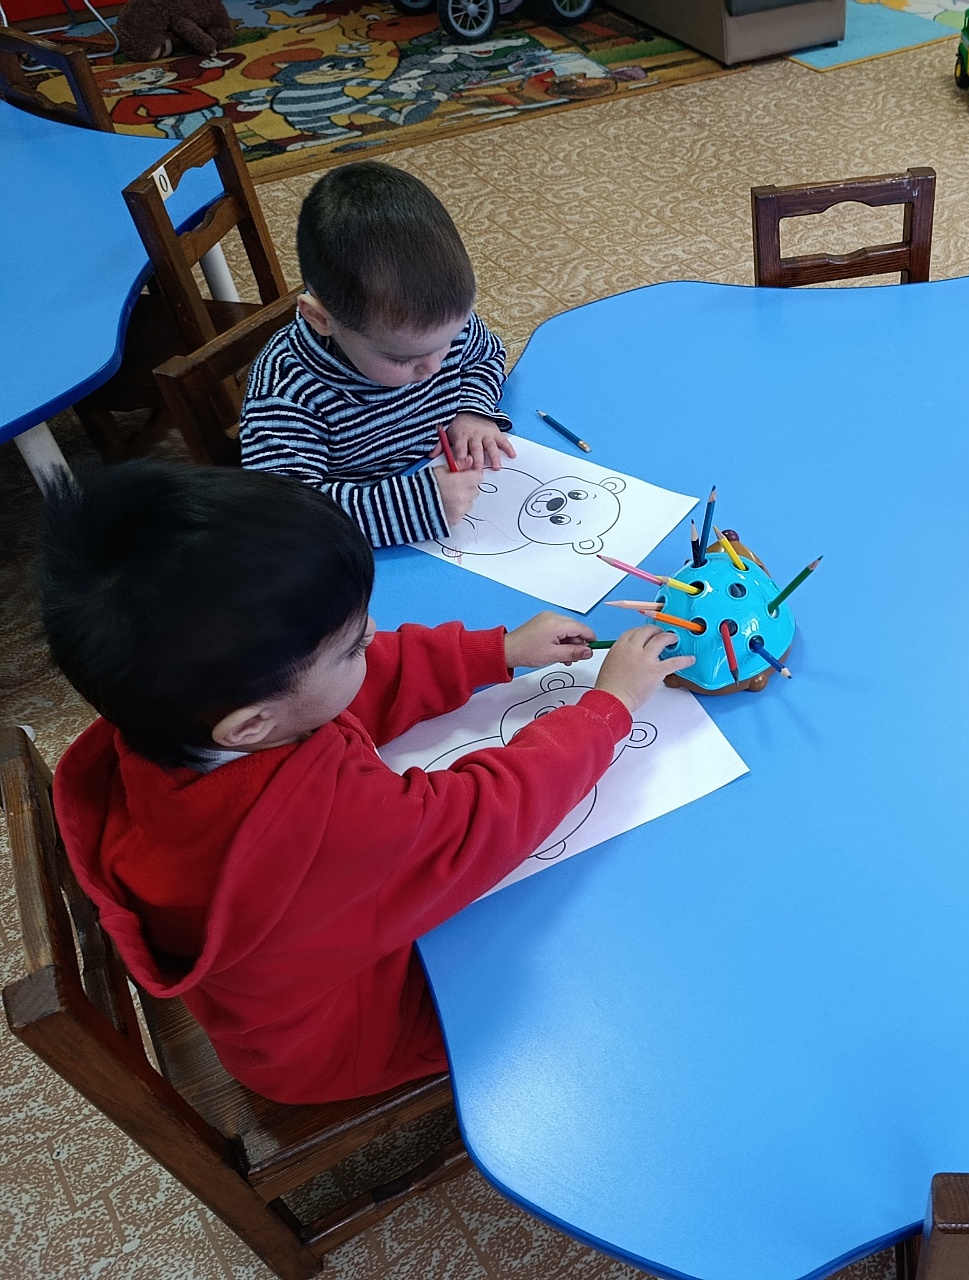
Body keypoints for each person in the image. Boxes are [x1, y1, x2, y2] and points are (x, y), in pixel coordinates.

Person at [39, 461, 692, 1103]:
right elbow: (483, 820)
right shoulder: (318, 823)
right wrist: (609, 707)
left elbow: (357, 683)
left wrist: (496, 651)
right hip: (343, 1038)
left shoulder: (180, 720)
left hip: (292, 979)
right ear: (251, 726)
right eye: (351, 644)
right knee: (590, 986)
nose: (375, 634)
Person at [242, 161, 514, 548]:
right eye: (402, 360)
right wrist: (417, 506)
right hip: (368, 547)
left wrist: (472, 410)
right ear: (320, 319)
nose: (434, 367)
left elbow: (485, 355)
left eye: (448, 342)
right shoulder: (288, 393)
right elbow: (283, 516)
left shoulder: (435, 324)